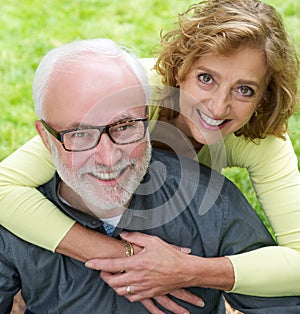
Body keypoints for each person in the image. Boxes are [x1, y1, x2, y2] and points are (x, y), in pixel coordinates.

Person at [0, 0, 299, 301]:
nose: (219, 106)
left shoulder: (264, 141)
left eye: (244, 89)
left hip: (180, 225)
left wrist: (189, 270)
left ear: (264, 96)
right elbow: (3, 188)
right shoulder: (127, 90)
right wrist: (125, 258)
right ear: (180, 69)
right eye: (206, 78)